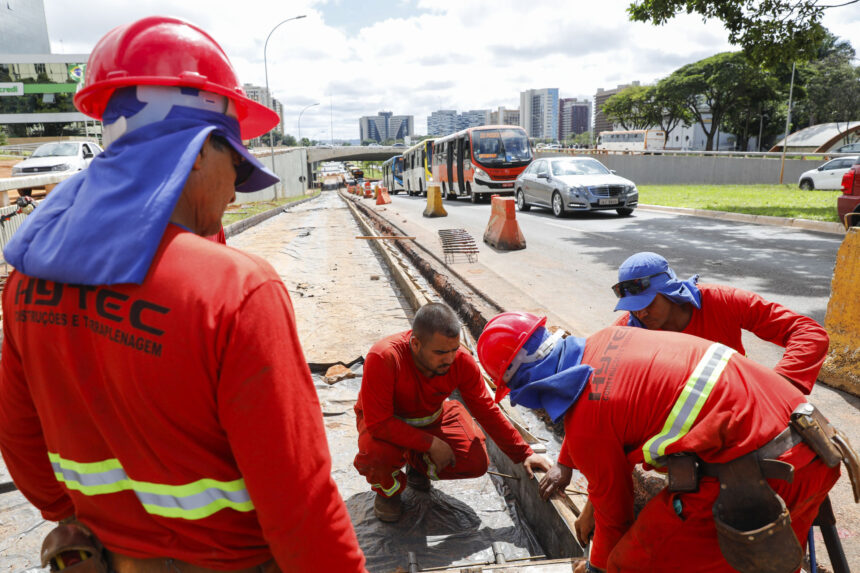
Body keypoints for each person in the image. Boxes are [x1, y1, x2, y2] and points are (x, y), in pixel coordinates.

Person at [0, 16, 365, 572]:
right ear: (197, 152)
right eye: (236, 166)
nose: (232, 192)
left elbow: (21, 444)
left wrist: (100, 522)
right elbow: (302, 509)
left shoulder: (28, 278)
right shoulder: (238, 291)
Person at [477, 312, 850, 573]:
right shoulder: (608, 339)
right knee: (767, 565)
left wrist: (598, 568)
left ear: (527, 386)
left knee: (630, 561)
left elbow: (616, 517)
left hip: (760, 479)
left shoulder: (589, 421)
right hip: (815, 448)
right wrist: (585, 485)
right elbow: (607, 416)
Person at [540, 251, 831, 538]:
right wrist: (566, 463)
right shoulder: (630, 330)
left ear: (670, 291)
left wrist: (778, 389)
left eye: (648, 303)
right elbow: (594, 406)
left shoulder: (721, 301)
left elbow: (807, 332)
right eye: (633, 307)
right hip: (686, 449)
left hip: (739, 435)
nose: (640, 313)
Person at [353, 302, 551, 522]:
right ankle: (388, 492)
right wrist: (431, 444)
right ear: (416, 344)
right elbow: (379, 423)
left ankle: (417, 465)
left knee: (475, 461)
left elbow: (486, 408)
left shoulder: (461, 361)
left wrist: (524, 453)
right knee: (376, 455)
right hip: (386, 425)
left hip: (431, 418)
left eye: (453, 350)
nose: (449, 358)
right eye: (439, 352)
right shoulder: (384, 358)